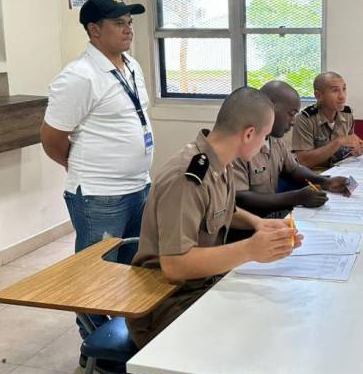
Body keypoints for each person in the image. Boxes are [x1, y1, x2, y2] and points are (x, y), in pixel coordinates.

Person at [126, 87, 303, 348]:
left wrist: (258, 223)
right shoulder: (186, 179)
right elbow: (175, 265)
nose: (266, 143)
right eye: (265, 136)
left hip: (204, 284)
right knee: (268, 333)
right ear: (249, 134)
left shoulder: (221, 161)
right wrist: (250, 249)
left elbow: (223, 211)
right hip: (168, 303)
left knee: (285, 304)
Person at [40, 0, 152, 374]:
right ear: (93, 29)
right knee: (94, 271)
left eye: (130, 22)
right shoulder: (77, 77)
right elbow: (53, 139)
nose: (128, 29)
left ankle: (124, 334)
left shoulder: (130, 65)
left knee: (131, 266)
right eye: (119, 23)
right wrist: (86, 169)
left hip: (138, 185)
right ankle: (95, 347)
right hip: (100, 195)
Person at [232, 81, 351, 227]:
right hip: (248, 230)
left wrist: (324, 182)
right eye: (291, 114)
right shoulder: (239, 146)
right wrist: (295, 198)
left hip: (274, 222)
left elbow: (293, 169)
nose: (293, 122)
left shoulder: (275, 141)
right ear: (269, 109)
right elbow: (241, 198)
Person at [291, 72, 363, 169]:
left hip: (340, 170)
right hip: (314, 176)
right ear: (319, 96)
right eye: (335, 91)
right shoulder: (305, 118)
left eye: (344, 89)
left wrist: (356, 149)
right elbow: (304, 161)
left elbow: (348, 146)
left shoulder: (347, 115)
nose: (342, 97)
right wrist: (338, 142)